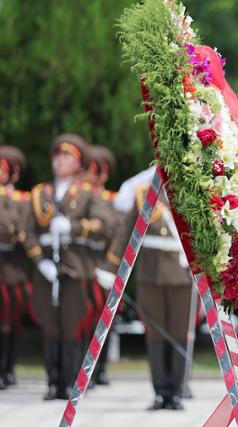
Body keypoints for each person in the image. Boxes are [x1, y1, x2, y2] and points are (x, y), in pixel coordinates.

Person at [22, 134, 115, 400]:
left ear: (79, 164)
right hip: (47, 270)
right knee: (49, 325)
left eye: (68, 157)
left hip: (76, 269)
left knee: (73, 325)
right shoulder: (41, 193)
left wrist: (74, 227)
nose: (60, 161)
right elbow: (27, 230)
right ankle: (53, 383)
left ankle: (71, 382)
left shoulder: (86, 195)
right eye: (58, 156)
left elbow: (106, 225)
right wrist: (40, 261)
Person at [99, 166, 192, 410]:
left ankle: (177, 391)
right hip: (151, 274)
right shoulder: (143, 195)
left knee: (178, 332)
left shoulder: (190, 193)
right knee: (155, 333)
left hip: (182, 275)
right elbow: (125, 235)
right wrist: (111, 268)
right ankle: (160, 391)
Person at [83, 144, 118, 387]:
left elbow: (118, 234)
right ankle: (85, 369)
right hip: (83, 260)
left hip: (105, 261)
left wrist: (110, 265)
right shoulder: (79, 196)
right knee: (84, 316)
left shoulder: (113, 199)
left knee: (106, 318)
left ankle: (101, 367)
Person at [0, 145, 31, 389]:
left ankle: (8, 368)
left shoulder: (22, 199)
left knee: (12, 320)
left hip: (12, 264)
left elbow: (21, 229)